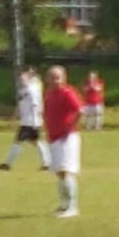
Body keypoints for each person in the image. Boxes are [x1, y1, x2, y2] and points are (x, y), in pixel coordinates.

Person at [43, 65, 85, 217]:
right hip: (54, 137)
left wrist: (70, 128)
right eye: (52, 77)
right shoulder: (49, 94)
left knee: (66, 170)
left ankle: (73, 207)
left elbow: (80, 110)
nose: (55, 81)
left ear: (64, 78)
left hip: (66, 137)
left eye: (58, 77)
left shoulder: (67, 92)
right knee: (60, 172)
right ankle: (64, 204)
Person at [0, 67, 45, 171]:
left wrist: (34, 121)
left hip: (30, 122)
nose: (21, 81)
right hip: (27, 121)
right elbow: (20, 106)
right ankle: (47, 162)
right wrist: (14, 118)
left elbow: (35, 105)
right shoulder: (24, 91)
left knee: (18, 141)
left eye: (23, 79)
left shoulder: (32, 90)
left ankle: (8, 164)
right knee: (36, 142)